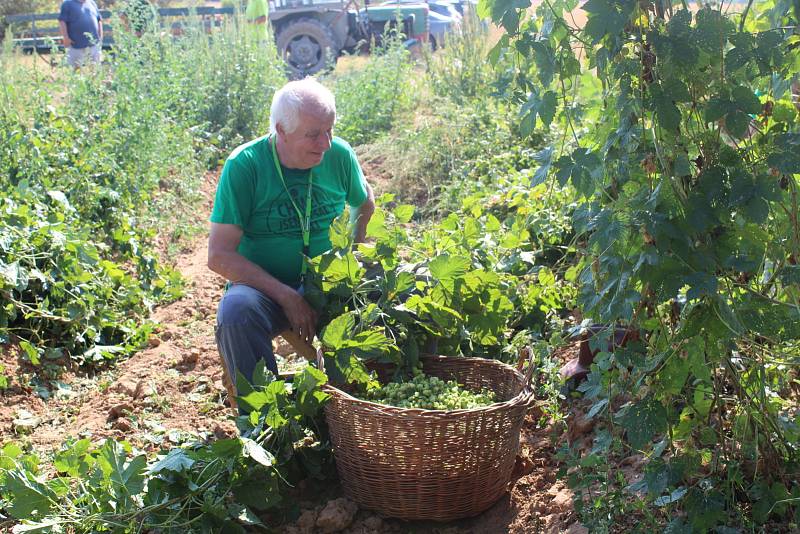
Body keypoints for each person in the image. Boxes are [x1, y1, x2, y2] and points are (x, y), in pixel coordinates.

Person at [208, 78, 375, 396]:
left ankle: (374, 402)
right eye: (313, 134)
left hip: (330, 281)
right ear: (281, 131)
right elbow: (219, 255)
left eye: (330, 130)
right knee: (237, 314)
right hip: (267, 291)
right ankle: (263, 422)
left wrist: (355, 252)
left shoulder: (338, 155)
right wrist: (287, 295)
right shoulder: (245, 166)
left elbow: (364, 202)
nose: (325, 143)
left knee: (392, 292)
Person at [58, 0, 103, 68]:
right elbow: (62, 21)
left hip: (93, 45)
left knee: (95, 70)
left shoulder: (92, 3)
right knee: (74, 71)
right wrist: (66, 38)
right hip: (75, 45)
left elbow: (98, 20)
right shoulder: (67, 3)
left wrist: (100, 38)